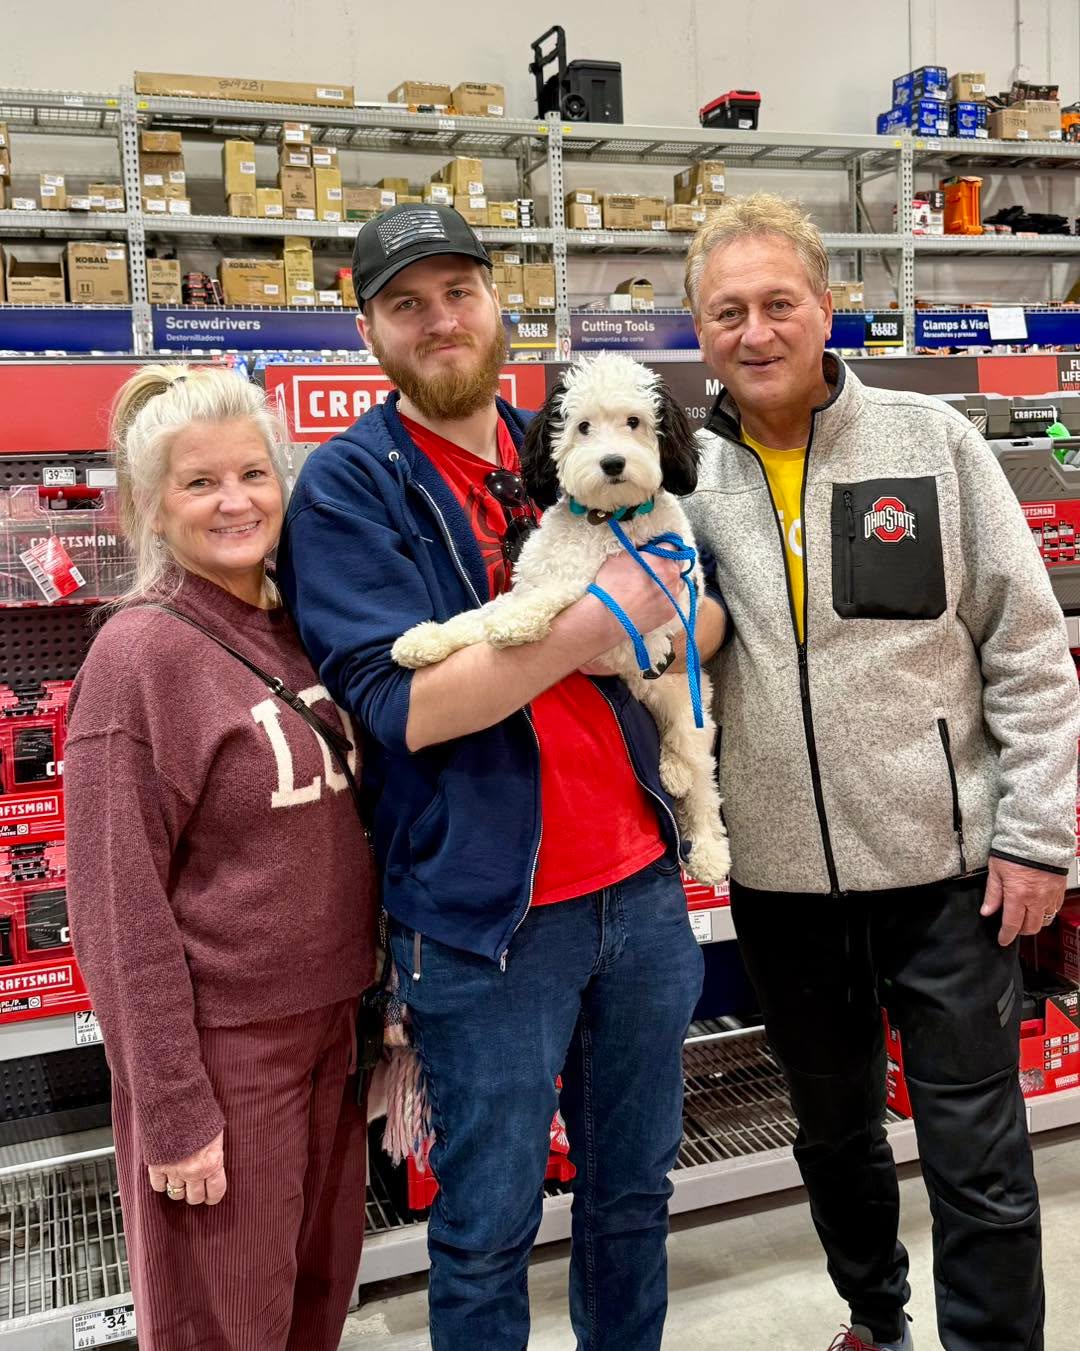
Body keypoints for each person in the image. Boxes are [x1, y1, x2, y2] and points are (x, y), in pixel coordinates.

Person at [276, 203, 723, 1351]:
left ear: (497, 302)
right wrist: (603, 616)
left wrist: (674, 615)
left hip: (641, 887)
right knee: (484, 1230)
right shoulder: (347, 487)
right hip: (485, 920)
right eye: (405, 304)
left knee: (633, 1198)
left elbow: (701, 616)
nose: (440, 320)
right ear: (367, 329)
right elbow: (406, 707)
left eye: (458, 292)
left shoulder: (572, 435)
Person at [682, 191, 1080, 1351]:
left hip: (950, 874)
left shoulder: (933, 442)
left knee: (977, 1150)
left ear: (827, 308)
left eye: (779, 303)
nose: (756, 332)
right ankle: (876, 1320)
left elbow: (1027, 648)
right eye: (727, 312)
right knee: (834, 1136)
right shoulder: (679, 479)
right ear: (700, 330)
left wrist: (1037, 833)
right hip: (781, 884)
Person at [65, 364, 376, 1351]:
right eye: (200, 482)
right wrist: (172, 1109)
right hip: (225, 1054)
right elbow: (118, 908)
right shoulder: (139, 657)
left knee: (314, 1308)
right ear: (154, 504)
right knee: (223, 1326)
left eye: (253, 473)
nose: (235, 501)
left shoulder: (299, 625)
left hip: (335, 1032)